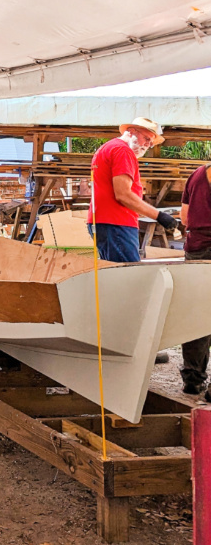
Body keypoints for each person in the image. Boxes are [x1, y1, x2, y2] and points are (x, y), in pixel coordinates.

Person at [87, 117, 178, 263]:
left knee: (116, 276)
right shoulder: (122, 151)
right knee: (128, 277)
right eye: (146, 138)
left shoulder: (108, 148)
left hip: (105, 221)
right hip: (116, 222)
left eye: (151, 142)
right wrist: (159, 216)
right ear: (130, 132)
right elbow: (123, 195)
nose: (147, 145)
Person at [179, 161, 211, 395]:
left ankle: (193, 378)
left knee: (196, 314)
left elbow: (185, 218)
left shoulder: (197, 175)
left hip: (197, 248)